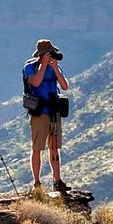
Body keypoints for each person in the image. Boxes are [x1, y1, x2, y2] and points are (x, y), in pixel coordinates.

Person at [23, 39, 70, 192]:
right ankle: (37, 183)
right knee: (37, 148)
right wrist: (43, 65)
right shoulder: (30, 67)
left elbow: (64, 86)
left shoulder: (54, 66)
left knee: (54, 147)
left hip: (54, 109)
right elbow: (35, 83)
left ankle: (57, 181)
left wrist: (55, 68)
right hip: (39, 111)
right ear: (42, 54)